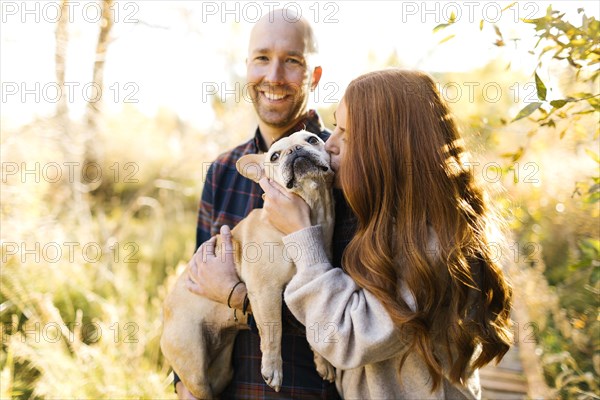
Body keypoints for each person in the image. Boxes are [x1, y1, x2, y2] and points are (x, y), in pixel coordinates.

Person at [192, 69, 514, 399]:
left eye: (345, 134)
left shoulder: (431, 245)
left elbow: (344, 335)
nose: (330, 143)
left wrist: (302, 237)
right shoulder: (382, 217)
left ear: (388, 150)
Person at [175, 8, 354, 400]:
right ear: (247, 70)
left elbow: (359, 312)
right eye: (262, 58)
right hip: (233, 388)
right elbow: (198, 286)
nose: (273, 76)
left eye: (292, 61)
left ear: (315, 76)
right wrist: (185, 385)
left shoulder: (345, 163)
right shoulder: (223, 171)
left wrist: (237, 296)